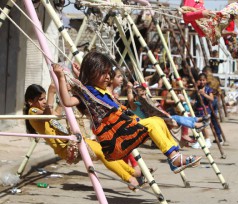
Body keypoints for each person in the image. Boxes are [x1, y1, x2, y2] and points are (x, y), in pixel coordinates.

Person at [52, 51, 201, 174]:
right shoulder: (87, 94)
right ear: (92, 73)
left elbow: (89, 85)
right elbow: (67, 101)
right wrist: (60, 77)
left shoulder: (100, 90)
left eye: (108, 73)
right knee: (152, 123)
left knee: (158, 121)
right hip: (116, 137)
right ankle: (174, 157)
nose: (108, 77)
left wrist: (80, 75)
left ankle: (173, 157)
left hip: (126, 127)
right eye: (103, 73)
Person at [24, 84, 143, 191]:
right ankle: (129, 178)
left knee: (104, 150)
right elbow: (47, 116)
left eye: (44, 98)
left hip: (72, 140)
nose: (44, 101)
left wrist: (63, 98)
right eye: (40, 99)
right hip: (66, 147)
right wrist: (51, 93)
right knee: (102, 153)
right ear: (30, 102)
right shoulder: (32, 111)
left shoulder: (42, 109)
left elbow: (55, 115)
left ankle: (133, 173)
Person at [191, 73, 214, 149]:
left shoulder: (208, 89)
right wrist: (193, 102)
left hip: (205, 110)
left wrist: (204, 94)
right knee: (197, 126)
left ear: (206, 80)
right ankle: (199, 140)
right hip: (197, 110)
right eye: (200, 80)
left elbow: (211, 98)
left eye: (203, 80)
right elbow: (194, 99)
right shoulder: (196, 89)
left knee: (204, 126)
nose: (202, 82)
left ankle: (207, 140)